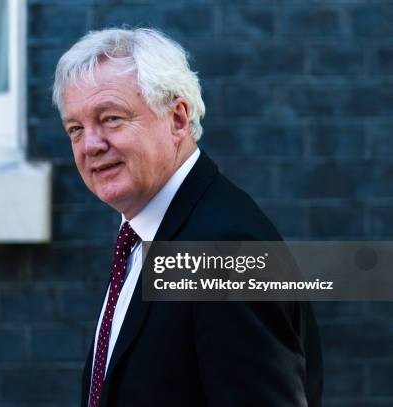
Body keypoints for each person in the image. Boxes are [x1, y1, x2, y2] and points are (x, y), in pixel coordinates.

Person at [52, 28, 323, 407]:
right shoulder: (144, 232)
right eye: (76, 129)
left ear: (178, 119)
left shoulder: (222, 251)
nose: (91, 145)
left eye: (111, 118)